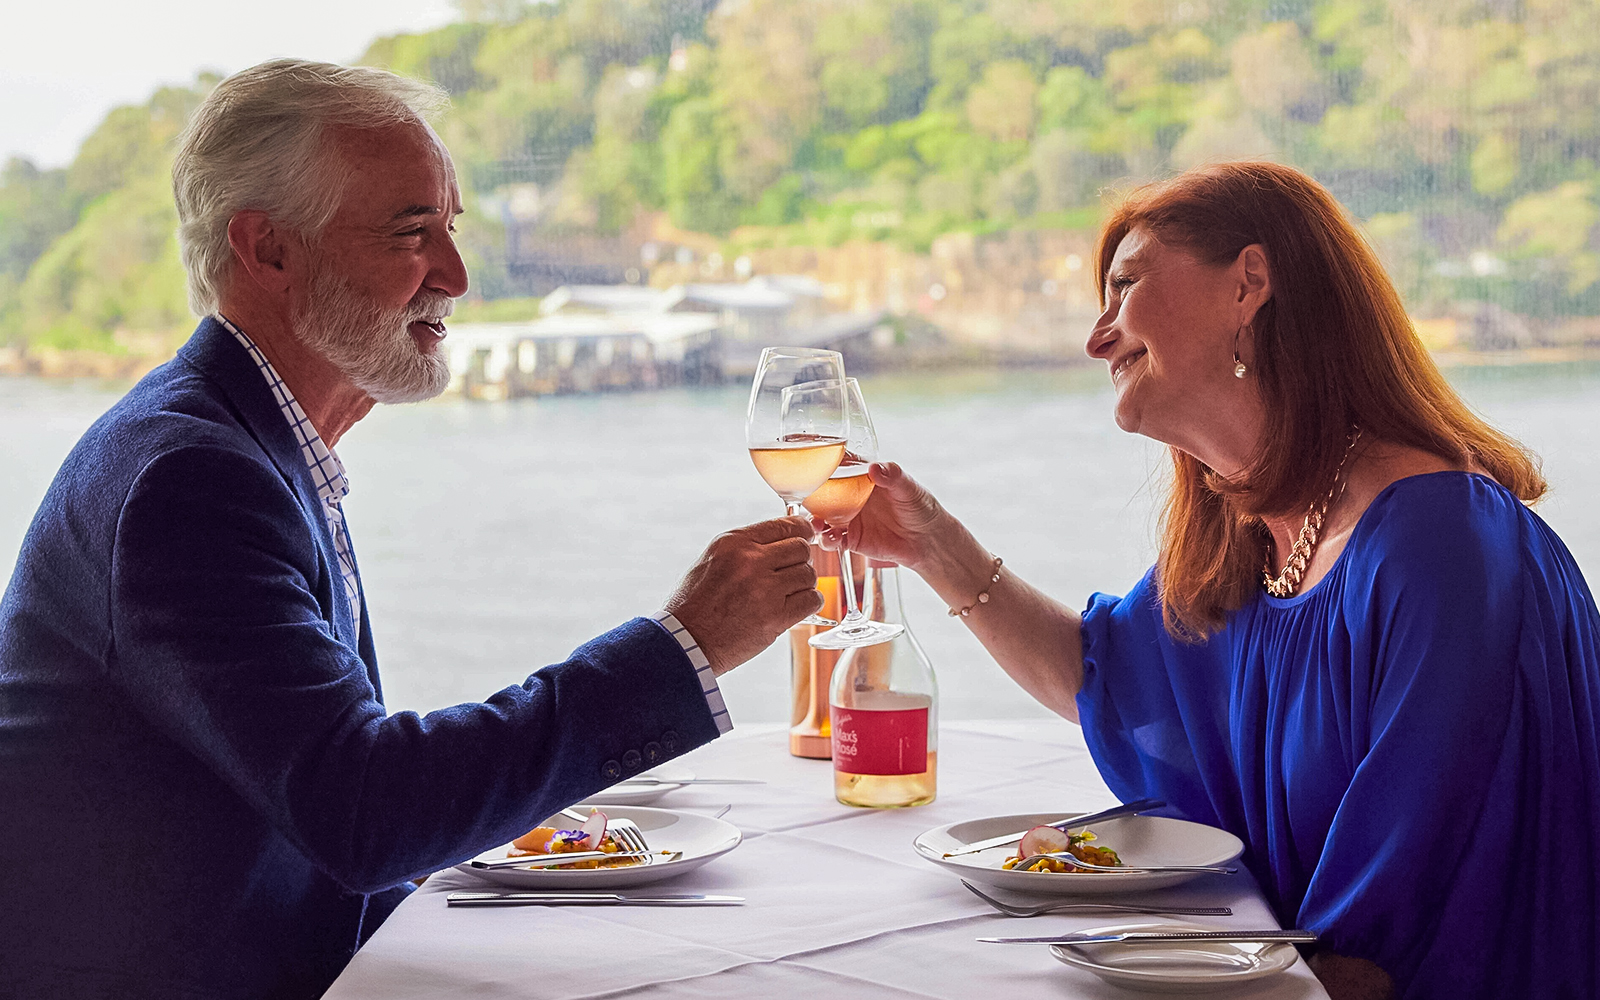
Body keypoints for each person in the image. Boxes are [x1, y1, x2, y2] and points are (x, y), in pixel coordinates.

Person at [0, 60, 822, 999]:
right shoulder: (187, 481)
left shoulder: (237, 442)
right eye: (410, 232)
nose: (458, 276)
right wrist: (687, 646)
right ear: (267, 251)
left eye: (452, 227)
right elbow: (365, 808)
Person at [829, 162, 1600, 1000]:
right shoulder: (1257, 537)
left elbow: (1389, 945)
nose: (1098, 338)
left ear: (1250, 284)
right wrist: (930, 541)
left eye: (1125, 286)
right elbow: (1104, 680)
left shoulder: (1439, 542)